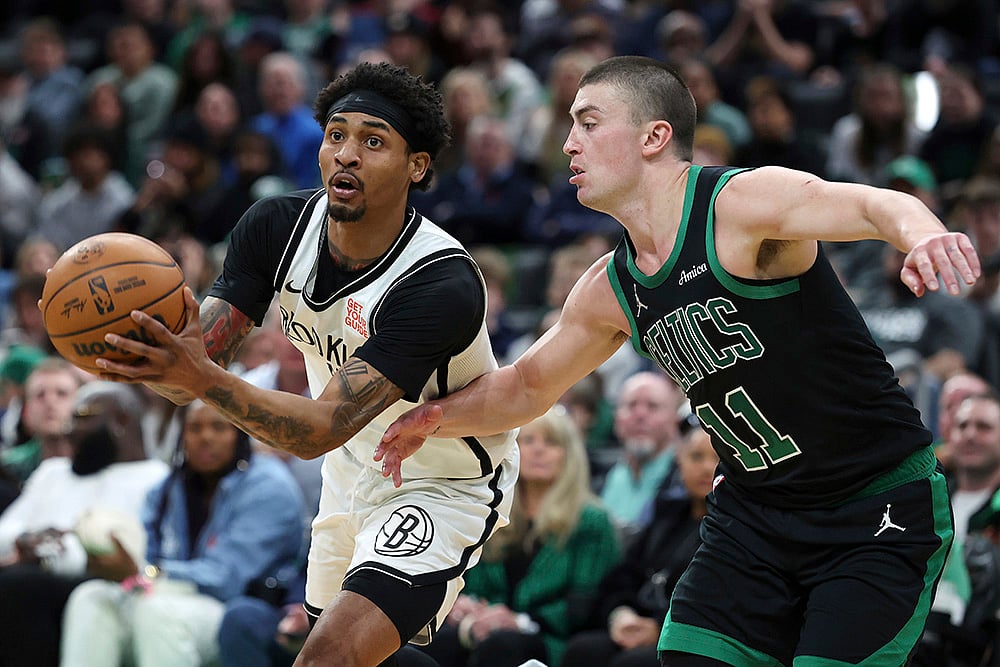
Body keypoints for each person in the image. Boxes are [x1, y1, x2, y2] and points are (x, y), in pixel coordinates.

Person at [378, 55, 982, 666]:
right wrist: (431, 419)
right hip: (754, 517)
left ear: (654, 137)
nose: (567, 144)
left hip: (870, 507)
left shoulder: (739, 205)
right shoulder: (611, 286)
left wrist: (923, 234)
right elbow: (526, 387)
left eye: (588, 124)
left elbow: (872, 206)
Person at [89, 61, 518, 667]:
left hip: (444, 476)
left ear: (417, 167)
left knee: (328, 658)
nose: (346, 154)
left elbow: (316, 429)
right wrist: (142, 354)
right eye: (336, 135)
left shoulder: (439, 282)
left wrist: (200, 377)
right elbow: (191, 376)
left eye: (374, 141)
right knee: (344, 652)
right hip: (351, 467)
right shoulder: (274, 227)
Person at [59, 399, 305, 667]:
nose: (205, 437)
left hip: (237, 609)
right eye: (195, 428)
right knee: (91, 597)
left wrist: (144, 573)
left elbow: (227, 578)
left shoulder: (268, 487)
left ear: (240, 433)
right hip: (167, 597)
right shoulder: (167, 487)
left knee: (156, 611)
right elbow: (145, 552)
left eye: (218, 427)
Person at [420, 406, 619, 667]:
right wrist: (465, 605)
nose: (539, 450)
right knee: (428, 644)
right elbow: (469, 579)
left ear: (569, 456)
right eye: (529, 440)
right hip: (484, 628)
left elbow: (585, 601)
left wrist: (520, 621)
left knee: (501, 645)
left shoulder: (592, 520)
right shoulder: (491, 510)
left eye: (551, 442)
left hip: (551, 637)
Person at [560, 426, 719, 667]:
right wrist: (620, 614)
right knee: (583, 650)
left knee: (632, 663)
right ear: (680, 460)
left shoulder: (732, 528)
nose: (708, 467)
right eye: (697, 457)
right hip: (638, 622)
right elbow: (623, 576)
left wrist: (658, 627)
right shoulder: (667, 515)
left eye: (719, 459)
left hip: (690, 638)